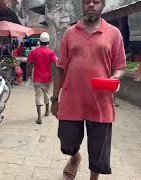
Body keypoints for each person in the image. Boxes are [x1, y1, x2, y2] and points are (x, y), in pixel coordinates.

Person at [51, 0, 126, 179]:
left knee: (98, 149)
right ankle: (75, 157)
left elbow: (120, 66)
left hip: (100, 102)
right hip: (71, 100)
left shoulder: (114, 34)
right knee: (67, 141)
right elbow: (60, 68)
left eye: (96, 1)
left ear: (103, 5)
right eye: (87, 2)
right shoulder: (70, 33)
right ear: (82, 6)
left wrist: (115, 77)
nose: (91, 5)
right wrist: (55, 99)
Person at [27, 32, 58, 124]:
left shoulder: (34, 51)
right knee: (46, 94)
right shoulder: (51, 52)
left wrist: (28, 74)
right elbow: (57, 64)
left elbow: (29, 63)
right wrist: (56, 75)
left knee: (38, 96)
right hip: (47, 78)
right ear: (48, 42)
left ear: (39, 41)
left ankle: (39, 117)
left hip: (37, 78)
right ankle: (47, 111)